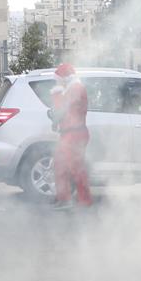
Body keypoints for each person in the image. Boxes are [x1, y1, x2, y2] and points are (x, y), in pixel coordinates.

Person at [51, 63, 92, 208]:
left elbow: (62, 108)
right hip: (69, 133)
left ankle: (84, 200)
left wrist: (56, 93)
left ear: (66, 78)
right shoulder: (71, 89)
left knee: (76, 168)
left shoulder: (76, 88)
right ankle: (65, 198)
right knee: (60, 165)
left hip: (75, 133)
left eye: (58, 79)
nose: (57, 82)